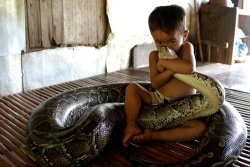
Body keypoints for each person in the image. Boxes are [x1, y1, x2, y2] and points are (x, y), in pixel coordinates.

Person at [122, 5, 207, 147]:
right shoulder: (154, 56)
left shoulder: (187, 48)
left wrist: (165, 63)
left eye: (172, 41)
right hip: (158, 99)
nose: (165, 47)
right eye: (159, 42)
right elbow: (155, 84)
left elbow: (188, 68)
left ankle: (155, 135)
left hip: (186, 107)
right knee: (132, 88)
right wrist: (168, 68)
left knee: (199, 128)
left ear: (184, 36)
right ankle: (131, 125)